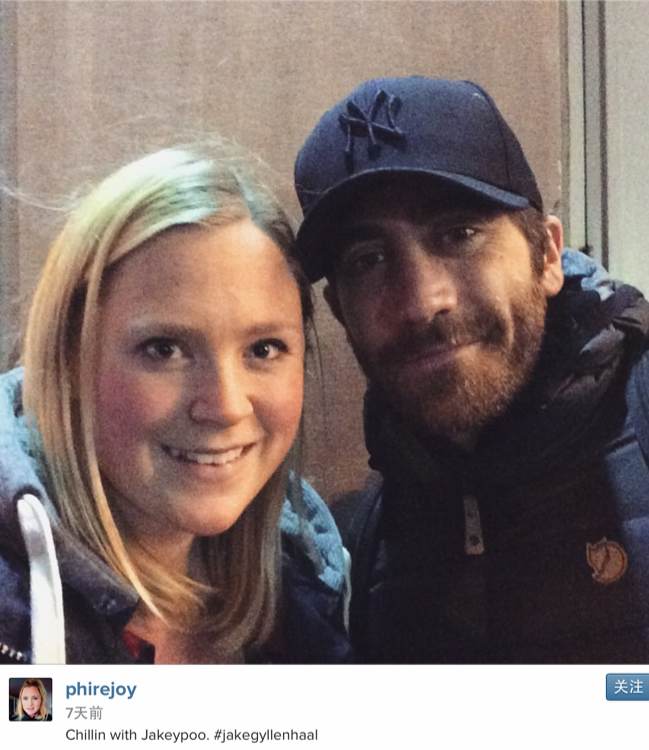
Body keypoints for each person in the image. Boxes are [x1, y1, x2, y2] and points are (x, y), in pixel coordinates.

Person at [293, 76, 649, 662]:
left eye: (459, 234)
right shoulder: (371, 538)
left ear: (547, 256)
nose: (421, 301)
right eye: (368, 260)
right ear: (339, 310)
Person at [0, 144, 350, 664]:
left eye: (263, 349)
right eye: (164, 349)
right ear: (69, 360)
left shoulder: (311, 568)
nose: (226, 406)